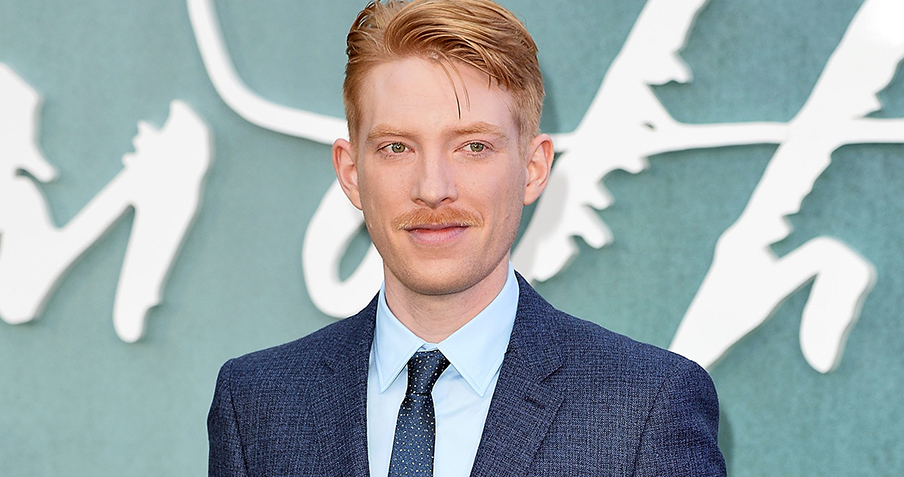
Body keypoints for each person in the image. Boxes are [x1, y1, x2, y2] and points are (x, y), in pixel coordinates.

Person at [207, 0, 726, 475]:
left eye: (473, 146)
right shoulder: (256, 404)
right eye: (396, 147)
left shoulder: (646, 406)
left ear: (533, 168)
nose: (433, 189)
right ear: (350, 172)